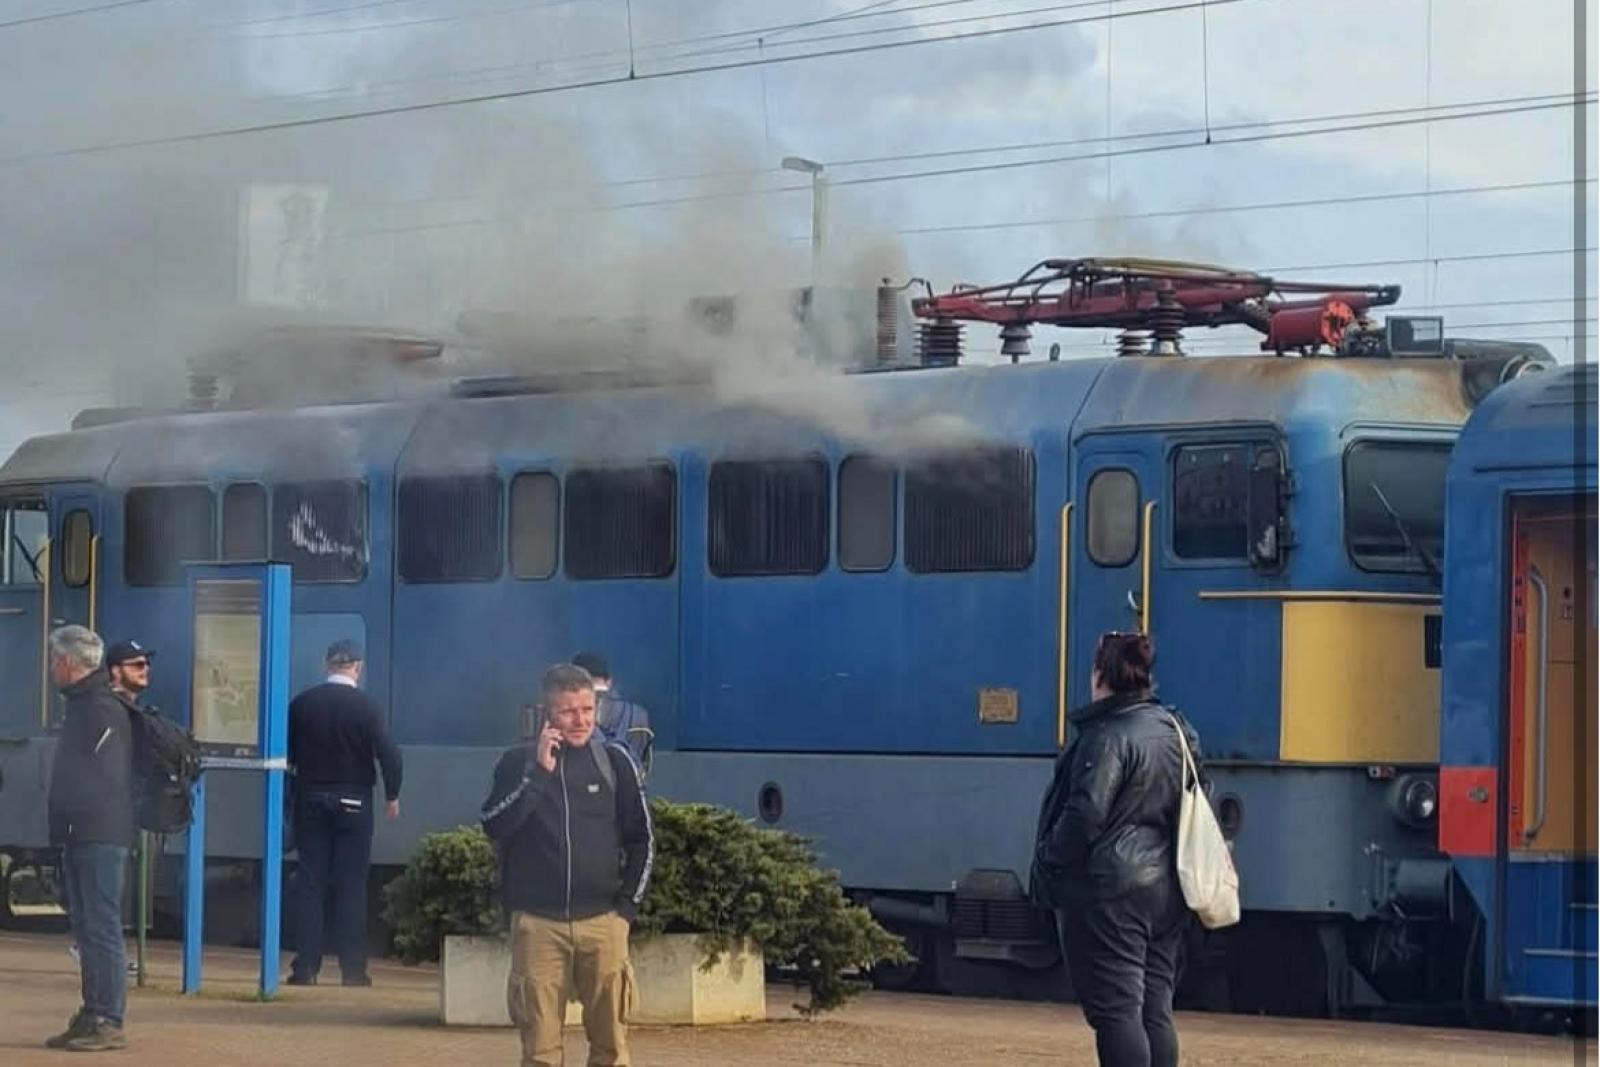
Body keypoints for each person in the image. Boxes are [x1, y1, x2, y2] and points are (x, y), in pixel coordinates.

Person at [1031, 632, 1200, 1067]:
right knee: (1154, 1010)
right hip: (1167, 888)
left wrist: (1050, 859)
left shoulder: (1105, 736)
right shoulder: (1174, 730)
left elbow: (1086, 812)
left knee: (1117, 1013)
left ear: (1100, 674)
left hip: (1111, 894)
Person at [482, 664, 653, 1067]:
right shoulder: (516, 762)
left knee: (611, 1050)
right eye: (568, 712)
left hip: (604, 922)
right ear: (548, 714)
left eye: (588, 710)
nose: (581, 721)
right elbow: (495, 825)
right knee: (540, 1051)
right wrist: (539, 774)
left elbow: (642, 839)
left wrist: (626, 911)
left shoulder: (617, 761)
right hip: (538, 925)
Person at [286, 639, 402, 987]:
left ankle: (305, 968)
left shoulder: (302, 704)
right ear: (358, 667)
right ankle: (353, 971)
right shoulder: (367, 707)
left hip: (311, 798)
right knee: (351, 885)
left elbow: (288, 754)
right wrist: (392, 795)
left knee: (310, 882)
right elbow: (390, 755)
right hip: (354, 801)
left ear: (327, 665)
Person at [44, 625, 135, 1052]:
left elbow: (103, 775)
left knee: (101, 927)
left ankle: (107, 1017)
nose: (50, 669)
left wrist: (74, 814)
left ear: (67, 662)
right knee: (87, 927)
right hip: (83, 832)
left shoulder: (99, 708)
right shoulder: (86, 704)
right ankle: (91, 1011)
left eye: (52, 661)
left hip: (99, 833)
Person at [571, 651, 653, 772]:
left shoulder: (566, 714)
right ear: (609, 681)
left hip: (586, 786)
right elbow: (644, 762)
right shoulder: (640, 715)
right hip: (631, 786)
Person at [105, 639, 154, 706]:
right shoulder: (105, 706)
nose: (146, 668)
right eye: (139, 664)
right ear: (117, 671)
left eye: (147, 663)